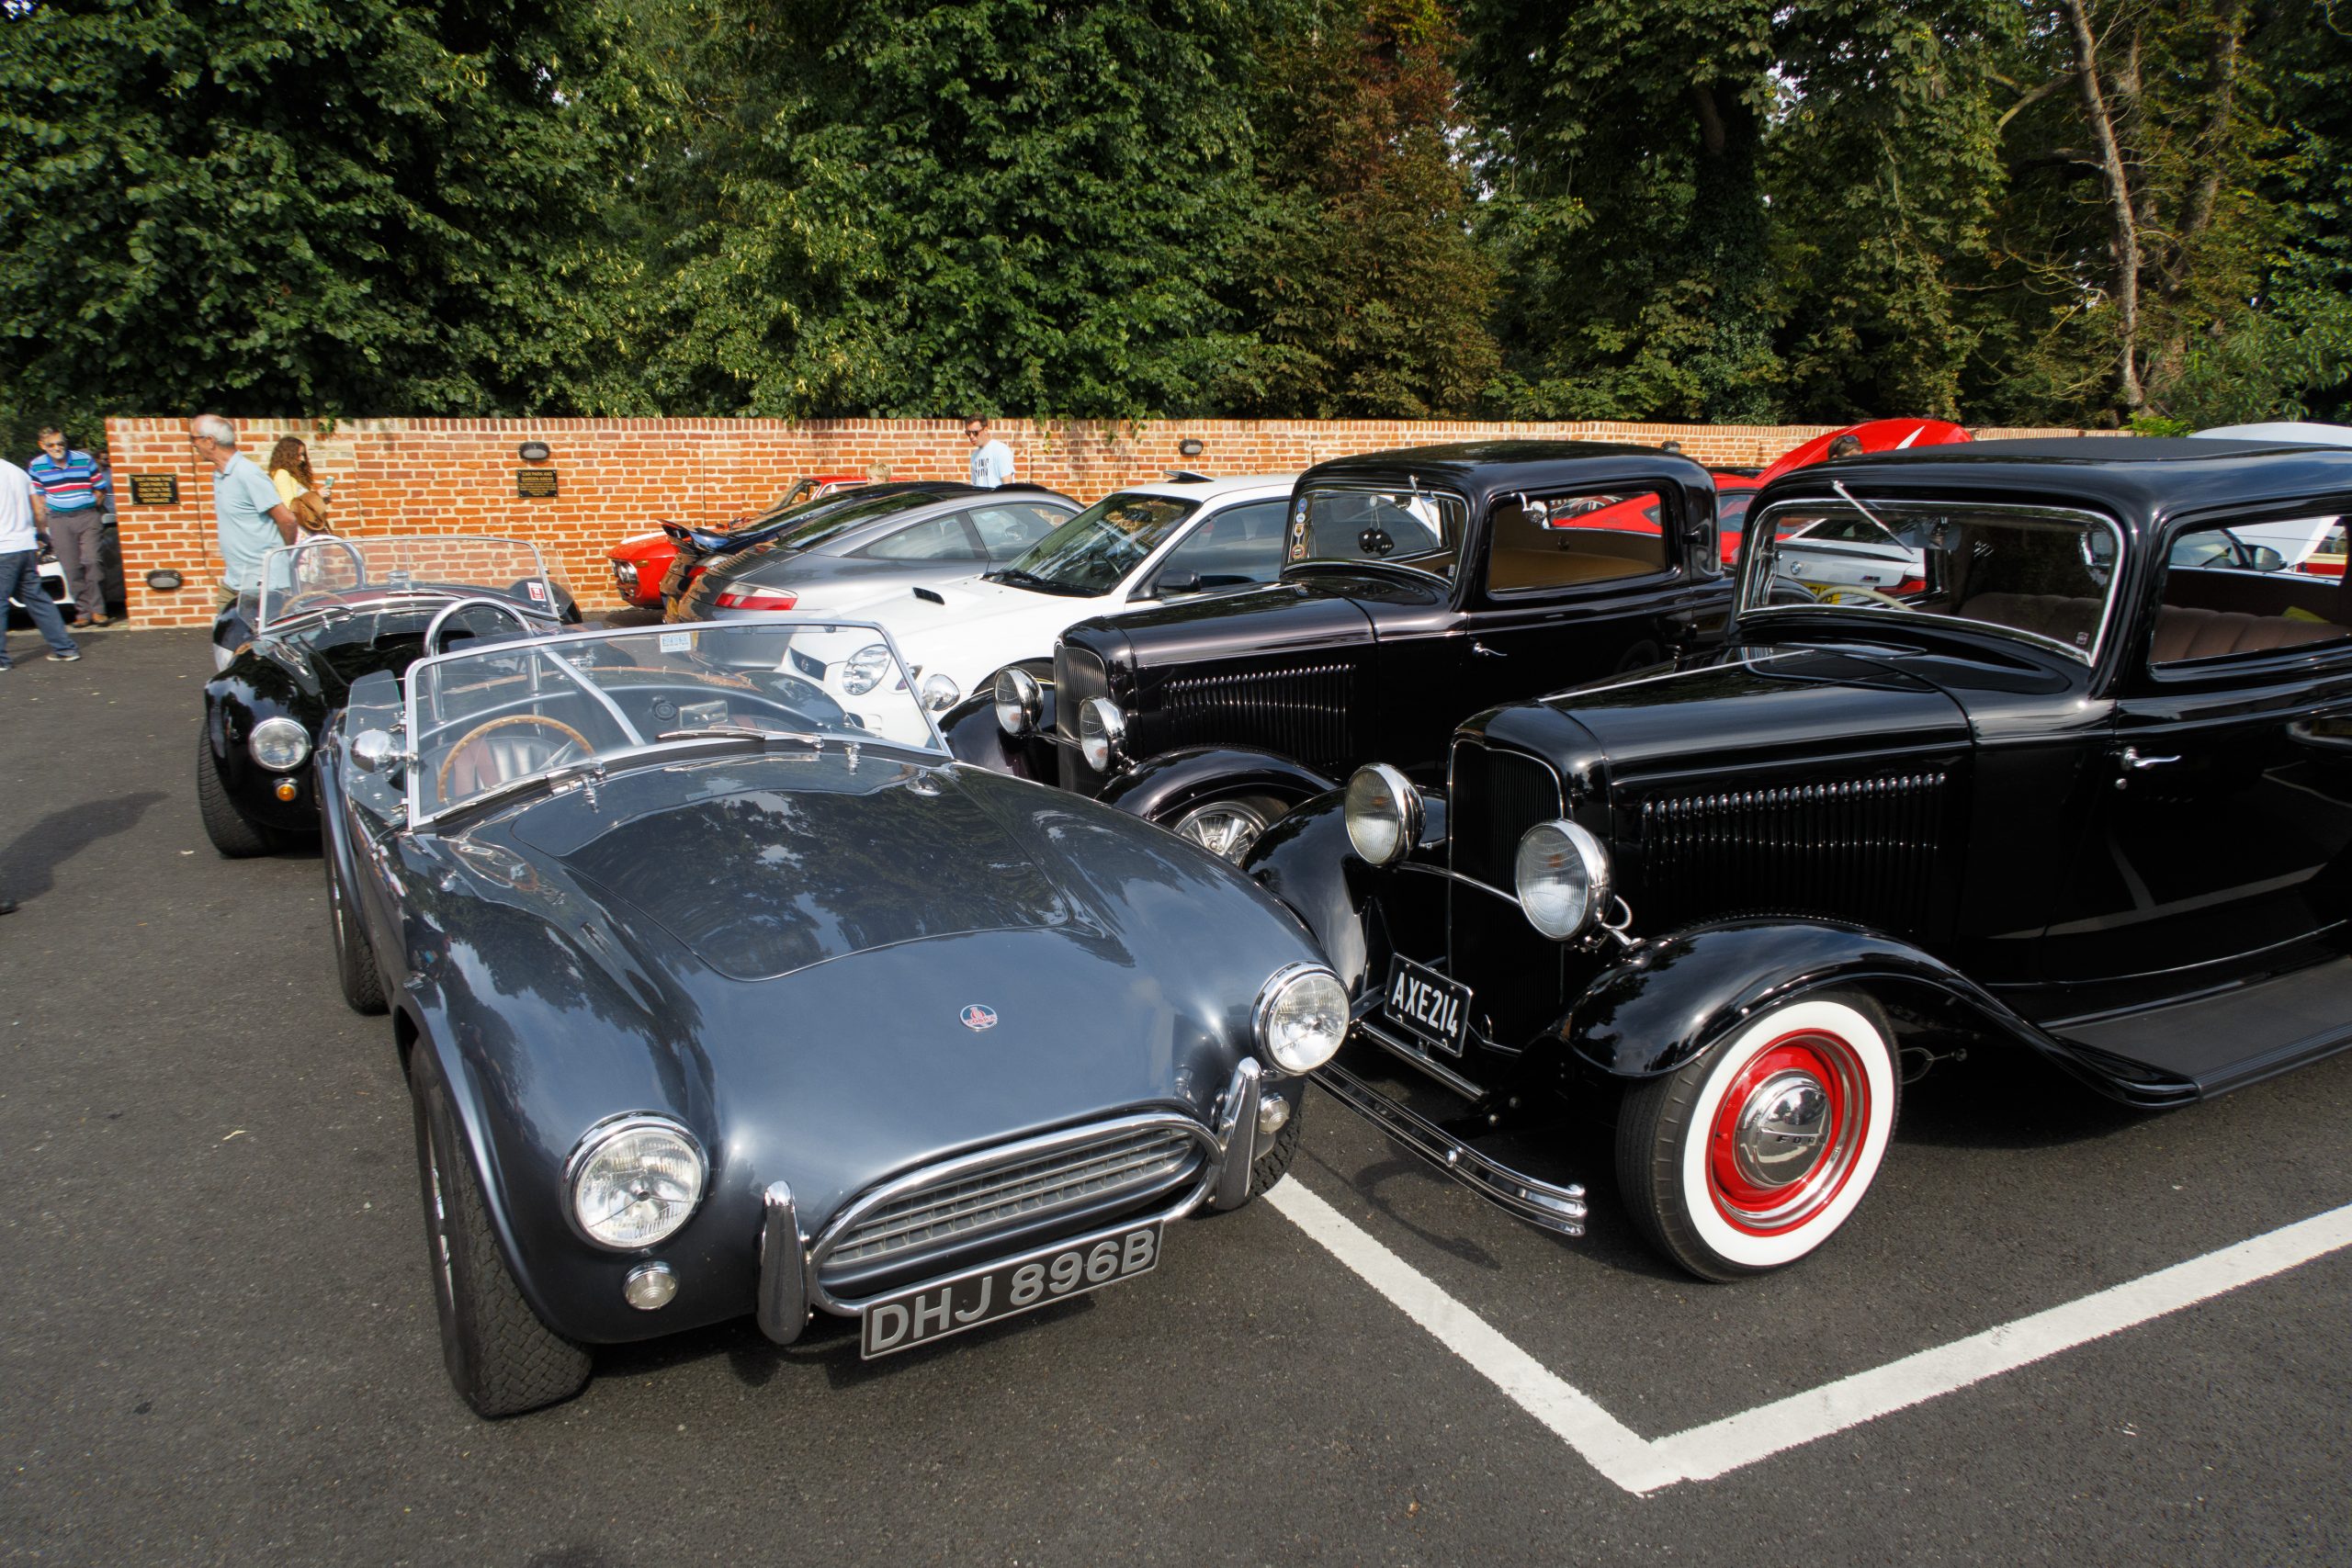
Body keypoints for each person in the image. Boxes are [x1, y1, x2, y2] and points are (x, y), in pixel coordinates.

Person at [187, 414, 296, 600]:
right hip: (234, 581)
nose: (193, 444)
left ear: (210, 441)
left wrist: (281, 554)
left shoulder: (247, 473)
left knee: (255, 630)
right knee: (223, 627)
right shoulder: (219, 475)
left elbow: (287, 519)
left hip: (264, 584)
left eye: (194, 438)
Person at [0, 456, 80, 668]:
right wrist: (41, 534)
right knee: (37, 599)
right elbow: (38, 509)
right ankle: (65, 648)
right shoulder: (17, 471)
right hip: (25, 545)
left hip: (3, 547)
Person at [28, 426, 111, 625]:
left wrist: (91, 507)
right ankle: (82, 612)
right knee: (71, 567)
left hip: (86, 515)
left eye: (61, 443)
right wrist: (42, 528)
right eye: (51, 445)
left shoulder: (83, 460)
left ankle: (98, 609)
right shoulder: (36, 466)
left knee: (92, 561)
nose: (57, 448)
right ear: (42, 446)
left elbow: (100, 489)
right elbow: (39, 499)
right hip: (58, 519)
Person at [266, 435, 335, 537]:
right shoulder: (282, 474)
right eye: (299, 455)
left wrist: (319, 500)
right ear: (288, 455)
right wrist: (316, 495)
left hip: (304, 529)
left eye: (303, 455)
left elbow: (303, 503)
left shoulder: (293, 475)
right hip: (298, 532)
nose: (302, 459)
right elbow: (290, 506)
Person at [965, 417, 1013, 489]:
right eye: (968, 433)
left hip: (998, 499)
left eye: (975, 432)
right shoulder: (974, 456)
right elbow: (974, 485)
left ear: (985, 430)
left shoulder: (1000, 450)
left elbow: (1007, 485)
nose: (971, 436)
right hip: (982, 499)